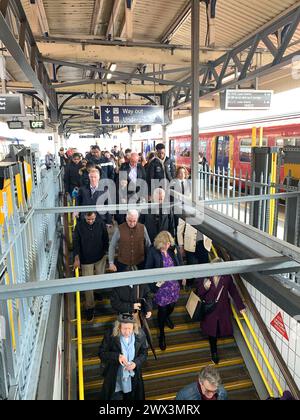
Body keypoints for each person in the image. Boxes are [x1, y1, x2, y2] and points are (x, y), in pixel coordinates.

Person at [196, 258, 246, 364]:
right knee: (212, 332)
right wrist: (205, 287)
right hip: (210, 310)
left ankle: (215, 343)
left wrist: (240, 306)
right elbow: (199, 293)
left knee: (218, 328)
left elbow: (233, 291)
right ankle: (214, 352)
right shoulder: (205, 276)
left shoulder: (226, 277)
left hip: (222, 309)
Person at [145, 231, 184, 351]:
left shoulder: (173, 249)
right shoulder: (153, 252)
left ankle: (167, 316)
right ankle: (162, 334)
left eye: (169, 243)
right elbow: (147, 269)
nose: (167, 246)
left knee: (171, 307)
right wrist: (154, 284)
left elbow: (179, 263)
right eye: (165, 244)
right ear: (160, 243)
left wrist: (183, 276)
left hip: (173, 286)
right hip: (161, 288)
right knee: (161, 311)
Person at [98, 313, 148, 400]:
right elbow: (101, 353)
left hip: (133, 376)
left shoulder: (140, 334)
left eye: (130, 328)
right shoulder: (111, 335)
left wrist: (136, 363)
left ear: (134, 327)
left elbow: (144, 353)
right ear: (119, 327)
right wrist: (117, 356)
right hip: (115, 375)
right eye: (124, 328)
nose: (127, 332)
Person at [73, 212, 109, 321]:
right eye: (88, 219)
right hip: (86, 259)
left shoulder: (100, 223)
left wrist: (105, 251)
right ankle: (90, 307)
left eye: (92, 219)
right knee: (88, 284)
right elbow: (76, 243)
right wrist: (76, 258)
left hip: (100, 257)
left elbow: (105, 237)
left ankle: (97, 292)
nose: (91, 221)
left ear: (95, 216)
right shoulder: (79, 226)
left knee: (100, 277)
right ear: (84, 217)